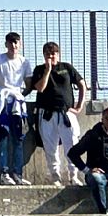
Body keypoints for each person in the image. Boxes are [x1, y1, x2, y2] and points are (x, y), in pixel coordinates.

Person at [0, 31, 32, 186]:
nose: (13, 45)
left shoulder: (24, 62)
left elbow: (29, 85)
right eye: (10, 42)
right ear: (6, 44)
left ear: (20, 44)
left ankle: (17, 173)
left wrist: (21, 96)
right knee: (3, 138)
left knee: (18, 139)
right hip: (2, 104)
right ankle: (4, 173)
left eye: (16, 42)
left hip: (17, 104)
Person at [31, 41, 86, 187]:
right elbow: (40, 88)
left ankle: (73, 176)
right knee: (51, 148)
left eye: (54, 53)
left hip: (66, 113)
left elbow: (82, 84)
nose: (51, 56)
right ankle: (55, 177)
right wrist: (47, 71)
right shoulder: (39, 70)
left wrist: (79, 106)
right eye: (48, 54)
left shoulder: (66, 67)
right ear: (44, 56)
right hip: (47, 114)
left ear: (58, 54)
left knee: (72, 145)